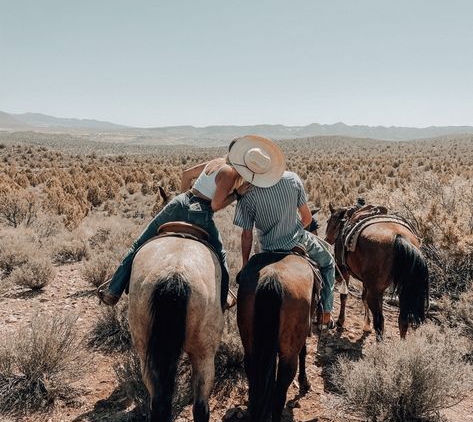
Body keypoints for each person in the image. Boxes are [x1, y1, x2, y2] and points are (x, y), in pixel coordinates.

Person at [97, 141, 248, 310]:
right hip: (202, 212)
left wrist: (186, 200)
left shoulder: (216, 162)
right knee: (220, 254)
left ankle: (113, 290)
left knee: (139, 244)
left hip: (180, 202)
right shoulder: (230, 172)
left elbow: (186, 174)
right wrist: (237, 194)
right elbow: (215, 205)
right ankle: (222, 300)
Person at [231, 135, 335, 325]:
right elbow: (307, 218)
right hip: (297, 240)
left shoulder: (246, 196)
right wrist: (293, 230)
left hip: (266, 248)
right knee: (328, 262)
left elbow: (247, 236)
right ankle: (326, 311)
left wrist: (246, 264)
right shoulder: (292, 179)